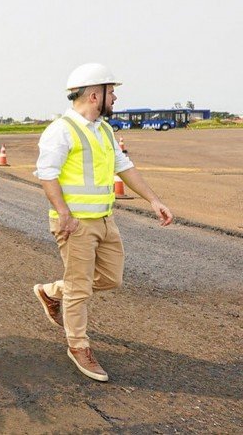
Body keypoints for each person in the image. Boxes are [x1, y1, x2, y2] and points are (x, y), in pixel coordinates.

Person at [33, 63, 173, 382]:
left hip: (105, 219)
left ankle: (53, 292)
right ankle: (78, 346)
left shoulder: (105, 130)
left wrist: (154, 199)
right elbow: (46, 174)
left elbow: (125, 168)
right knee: (80, 288)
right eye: (113, 92)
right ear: (96, 95)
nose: (116, 98)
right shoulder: (62, 129)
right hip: (75, 224)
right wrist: (64, 213)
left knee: (111, 278)